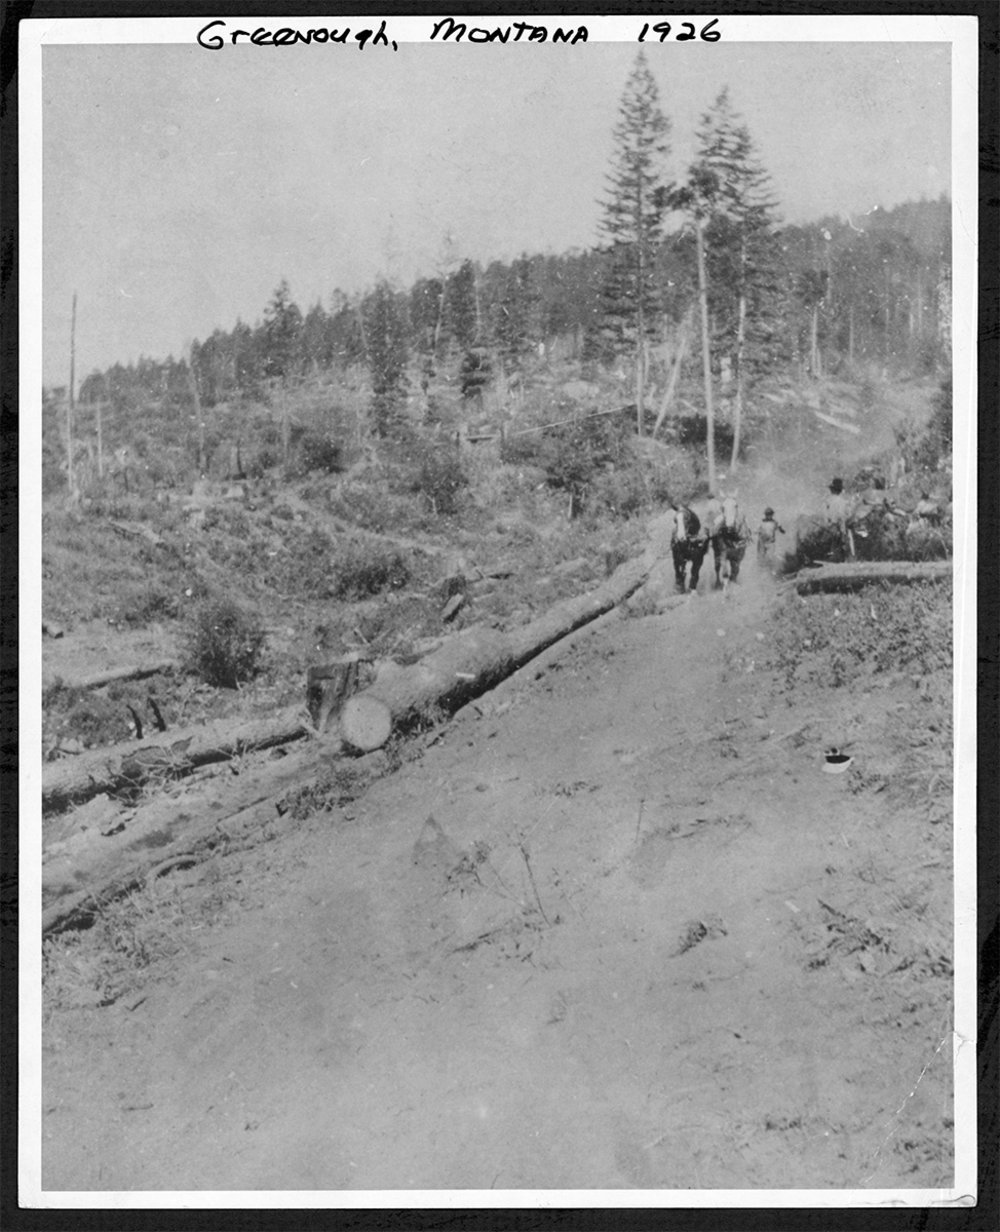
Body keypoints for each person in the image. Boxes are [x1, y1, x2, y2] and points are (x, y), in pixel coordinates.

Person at [823, 477, 854, 559]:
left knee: (832, 544)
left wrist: (828, 524)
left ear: (832, 490)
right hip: (838, 526)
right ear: (840, 490)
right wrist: (842, 529)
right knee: (842, 544)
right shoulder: (842, 502)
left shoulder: (827, 501)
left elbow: (825, 515)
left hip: (829, 526)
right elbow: (842, 516)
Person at [756, 506, 785, 573]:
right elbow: (756, 530)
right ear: (765, 515)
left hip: (771, 542)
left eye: (770, 514)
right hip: (762, 542)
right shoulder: (761, 522)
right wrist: (758, 532)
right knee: (761, 557)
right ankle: (760, 572)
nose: (768, 516)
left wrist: (782, 530)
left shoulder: (774, 522)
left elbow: (779, 527)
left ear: (772, 515)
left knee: (770, 557)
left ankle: (770, 571)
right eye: (767, 514)